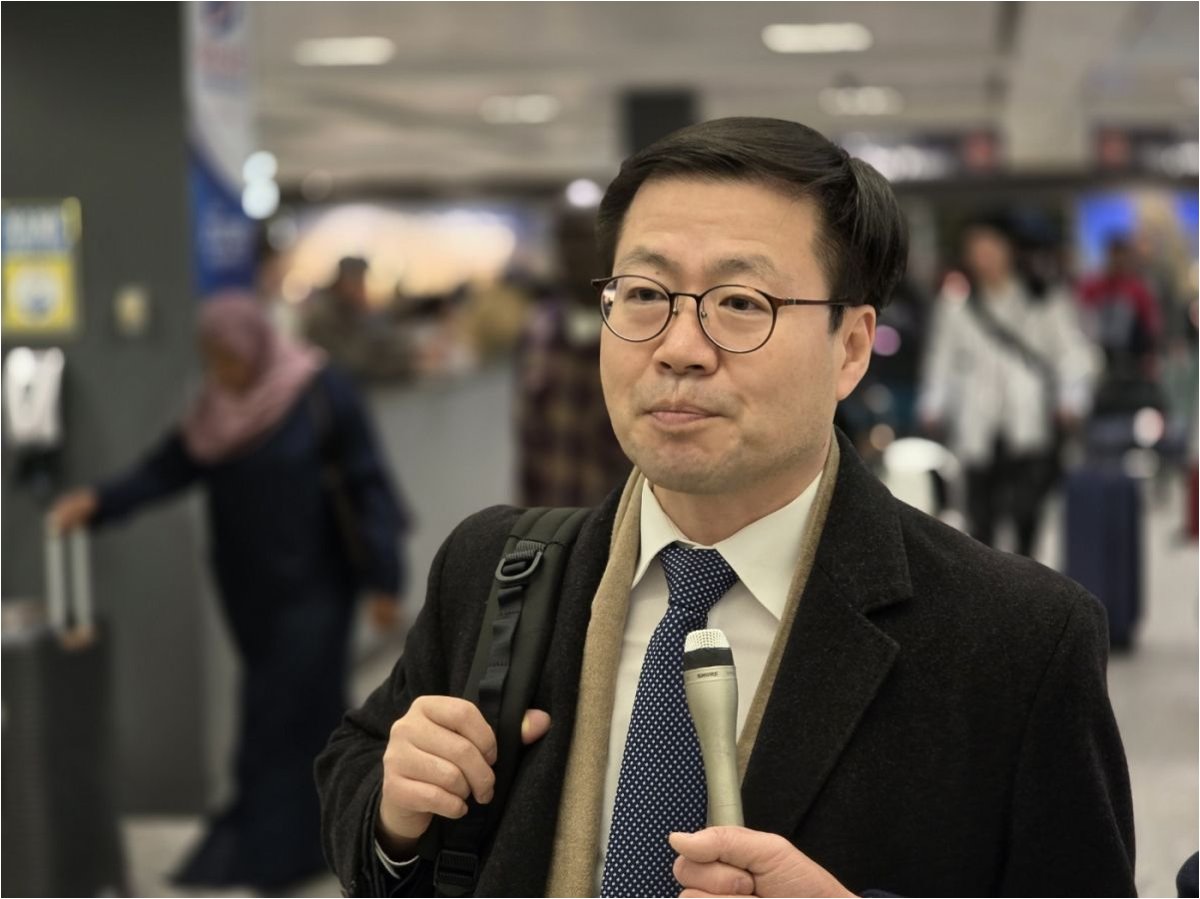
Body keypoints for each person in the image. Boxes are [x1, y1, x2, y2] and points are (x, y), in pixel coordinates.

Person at [316, 118, 1134, 897]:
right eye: (644, 293)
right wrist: (395, 812)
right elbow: (360, 771)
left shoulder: (1016, 642)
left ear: (851, 347)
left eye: (742, 303)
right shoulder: (496, 569)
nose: (678, 348)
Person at [50, 292, 409, 890]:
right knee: (305, 715)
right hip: (250, 597)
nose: (223, 371)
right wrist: (98, 503)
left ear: (255, 344)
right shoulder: (215, 414)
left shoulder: (319, 392)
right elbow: (165, 470)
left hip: (318, 589)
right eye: (211, 359)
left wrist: (384, 579)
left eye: (230, 357)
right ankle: (327, 836)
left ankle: (277, 857)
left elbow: (367, 483)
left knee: (277, 717)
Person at [918, 219, 1096, 556]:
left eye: (990, 247)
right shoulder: (956, 305)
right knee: (980, 518)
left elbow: (1070, 354)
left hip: (1029, 422)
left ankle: (1025, 579)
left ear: (1009, 251)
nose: (982, 256)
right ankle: (989, 584)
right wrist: (933, 404)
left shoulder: (1042, 301)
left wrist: (1071, 399)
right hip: (977, 423)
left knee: (1027, 514)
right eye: (975, 249)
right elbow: (940, 360)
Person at [304, 256, 412, 382]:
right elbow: (354, 362)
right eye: (356, 282)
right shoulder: (326, 313)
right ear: (343, 282)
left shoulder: (351, 308)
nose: (361, 289)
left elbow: (379, 340)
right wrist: (406, 363)